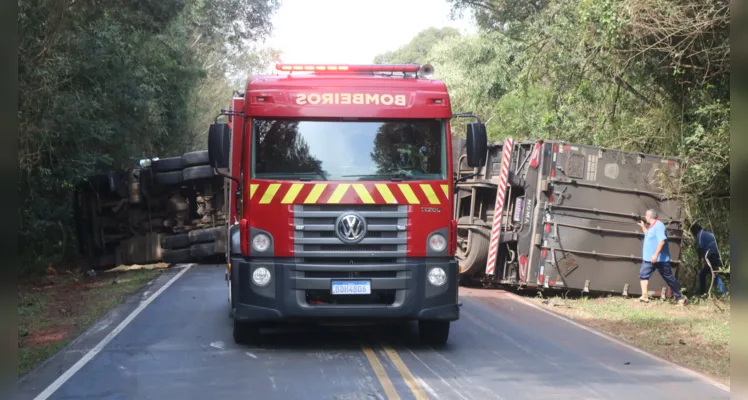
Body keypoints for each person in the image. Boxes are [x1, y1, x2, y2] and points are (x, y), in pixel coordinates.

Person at [637, 209, 687, 305]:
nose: (645, 217)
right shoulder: (651, 227)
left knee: (669, 278)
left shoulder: (659, 226)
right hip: (648, 259)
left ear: (649, 217)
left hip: (660, 259)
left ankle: (680, 297)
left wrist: (655, 255)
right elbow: (648, 235)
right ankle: (645, 296)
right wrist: (643, 227)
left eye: (646, 216)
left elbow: (662, 241)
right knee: (643, 275)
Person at [689, 223, 727, 295]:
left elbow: (700, 249)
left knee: (707, 274)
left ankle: (704, 293)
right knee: (712, 274)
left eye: (693, 232)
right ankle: (722, 293)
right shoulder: (710, 234)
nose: (693, 234)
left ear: (695, 230)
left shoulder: (699, 236)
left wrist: (700, 262)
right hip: (716, 256)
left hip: (710, 257)